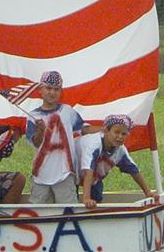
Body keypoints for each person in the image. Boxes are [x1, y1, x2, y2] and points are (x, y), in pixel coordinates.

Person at [25, 70, 99, 204]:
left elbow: (84, 129)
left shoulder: (67, 111)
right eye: (48, 88)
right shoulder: (32, 116)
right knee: (39, 212)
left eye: (56, 89)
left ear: (61, 91)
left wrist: (105, 130)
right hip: (41, 174)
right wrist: (41, 130)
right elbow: (36, 143)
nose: (52, 93)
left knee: (68, 211)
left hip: (64, 173)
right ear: (40, 90)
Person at [79, 114, 156, 208]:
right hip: (72, 169)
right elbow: (88, 171)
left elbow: (134, 171)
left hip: (94, 177)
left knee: (97, 199)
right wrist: (86, 198)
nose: (120, 137)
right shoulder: (94, 144)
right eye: (116, 132)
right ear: (106, 131)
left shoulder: (120, 150)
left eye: (124, 134)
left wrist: (148, 192)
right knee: (71, 199)